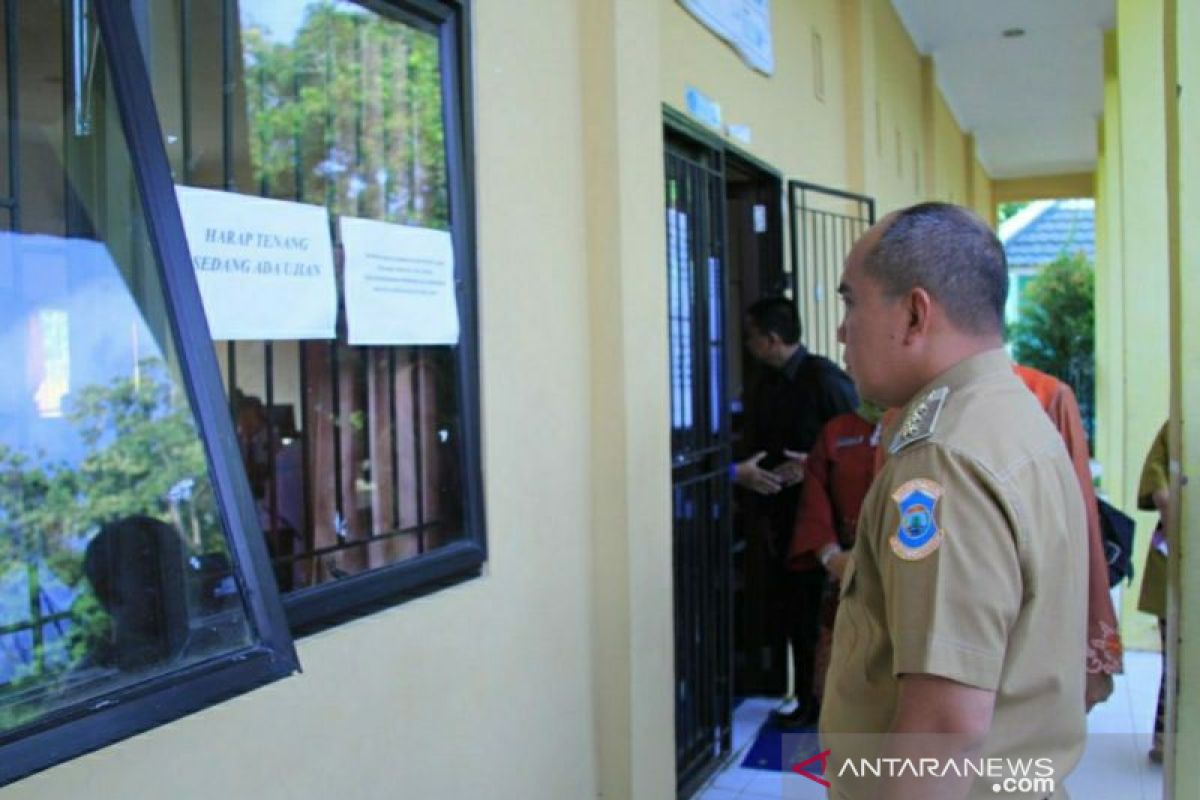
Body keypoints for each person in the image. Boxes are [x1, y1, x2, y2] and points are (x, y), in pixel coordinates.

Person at [821, 202, 1087, 799]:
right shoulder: (1013, 414)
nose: (842, 330)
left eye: (850, 302)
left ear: (915, 314)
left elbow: (943, 730)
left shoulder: (945, 460)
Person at [733, 296, 857, 726]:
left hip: (819, 522)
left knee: (817, 618)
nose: (747, 347)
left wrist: (814, 466)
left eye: (751, 338)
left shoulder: (824, 379)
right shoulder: (765, 381)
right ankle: (806, 702)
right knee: (791, 614)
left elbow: (858, 441)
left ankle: (823, 706)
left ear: (771, 339)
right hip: (777, 518)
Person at [786, 401, 883, 701]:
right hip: (843, 574)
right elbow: (814, 502)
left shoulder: (930, 426)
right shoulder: (837, 431)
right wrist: (831, 556)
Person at [1136, 421, 1170, 763]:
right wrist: (1165, 498)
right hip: (1175, 559)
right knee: (1176, 656)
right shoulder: (1181, 422)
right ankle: (1165, 737)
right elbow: (1155, 479)